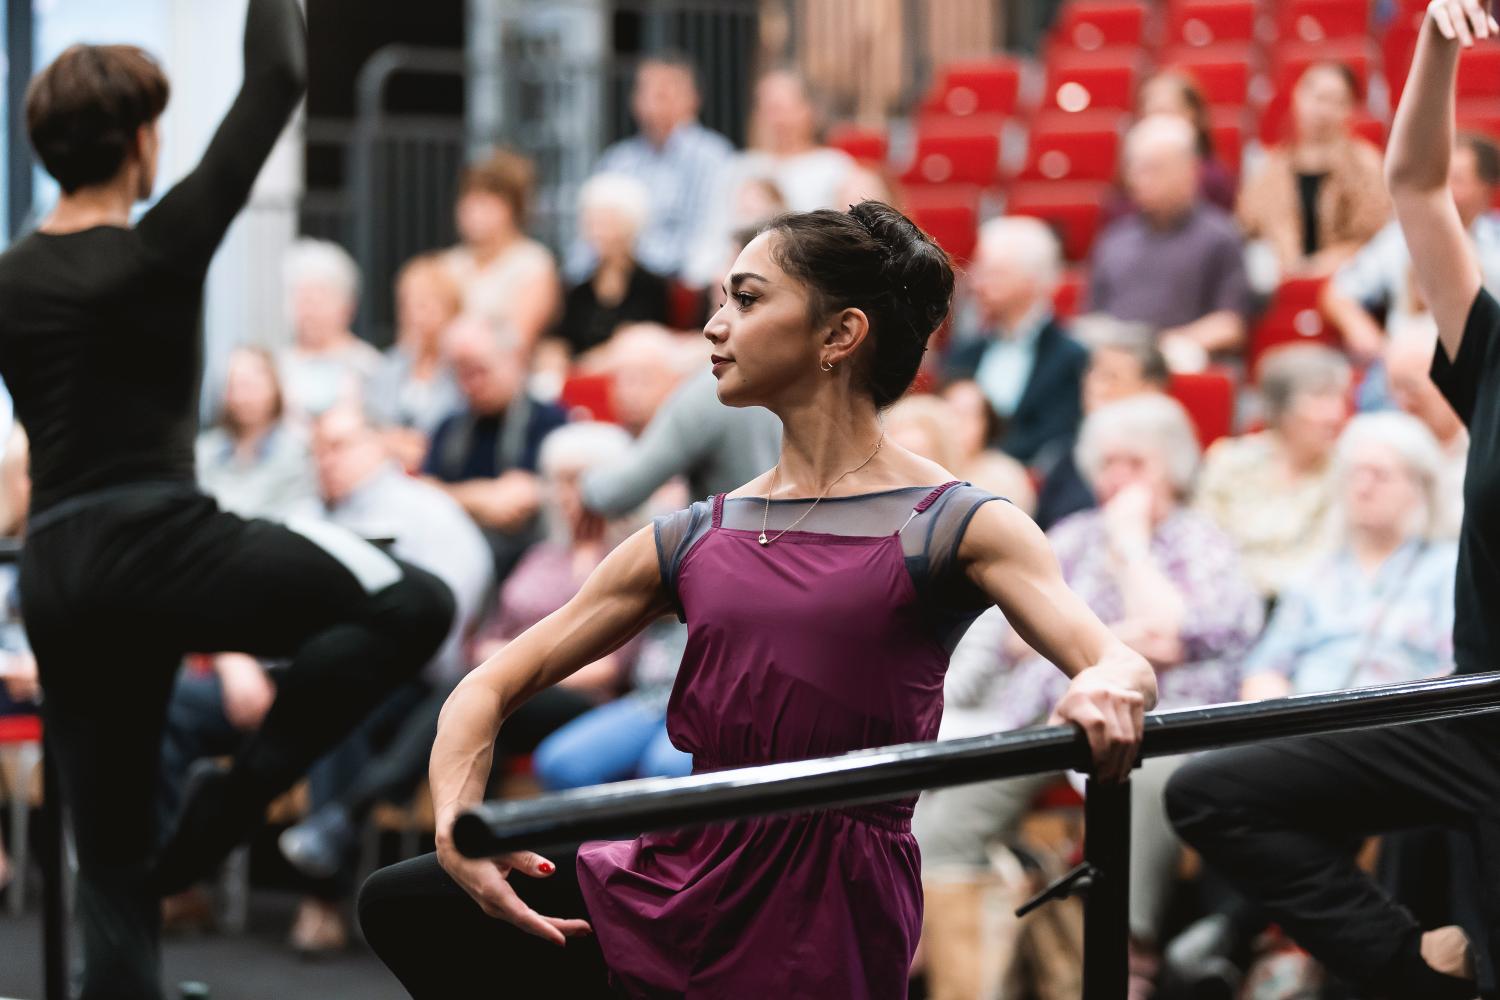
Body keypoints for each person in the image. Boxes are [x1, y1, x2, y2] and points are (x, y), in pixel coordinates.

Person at [357, 201, 1157, 999]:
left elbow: (1117, 662)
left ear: (839, 335)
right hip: (680, 866)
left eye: (745, 299)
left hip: (827, 900)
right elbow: (486, 687)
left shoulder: (960, 523)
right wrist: (457, 827)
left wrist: (1103, 689)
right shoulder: (695, 533)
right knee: (409, 905)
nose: (714, 326)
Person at [0, 6, 455, 998]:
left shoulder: (11, 278)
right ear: (140, 142)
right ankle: (232, 807)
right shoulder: (159, 247)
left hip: (61, 574)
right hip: (162, 541)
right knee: (414, 600)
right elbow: (278, 76)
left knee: (112, 866)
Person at [1168, 5, 1500, 996]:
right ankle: (1415, 972)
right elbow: (1416, 185)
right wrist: (1436, 40)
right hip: (1475, 716)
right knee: (1214, 790)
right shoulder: (1491, 354)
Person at [915, 395, 1263, 1000]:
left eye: (1135, 464)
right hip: (1042, 716)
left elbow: (1176, 632)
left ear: (1173, 468)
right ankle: (949, 975)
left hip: (1158, 722)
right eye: (1107, 464)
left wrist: (1129, 547)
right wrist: (1131, 633)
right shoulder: (1073, 535)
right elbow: (1014, 637)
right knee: (954, 812)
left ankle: (1126, 964)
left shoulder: (1201, 541)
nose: (1117, 479)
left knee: (1143, 779)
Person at [164, 403, 495, 954]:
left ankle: (322, 898)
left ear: (379, 447)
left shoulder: (429, 515)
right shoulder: (298, 516)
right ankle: (173, 874)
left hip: (388, 682)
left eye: (340, 446)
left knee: (337, 704)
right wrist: (235, 660)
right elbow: (232, 604)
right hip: (272, 676)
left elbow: (440, 637)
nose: (326, 460)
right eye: (317, 450)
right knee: (172, 702)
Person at [1239, 412, 1457, 702]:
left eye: (1380, 476)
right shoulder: (1316, 571)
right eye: (1355, 474)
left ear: (1419, 488)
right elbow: (1265, 669)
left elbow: (1458, 671)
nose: (1363, 488)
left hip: (1405, 717)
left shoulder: (1447, 569)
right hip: (1312, 717)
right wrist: (1280, 716)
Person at [1088, 115, 1253, 373]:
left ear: (1189, 171)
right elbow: (1093, 319)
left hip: (1182, 368)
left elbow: (1230, 326)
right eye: (1135, 169)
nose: (1139, 179)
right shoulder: (1114, 239)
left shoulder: (1220, 237)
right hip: (1116, 369)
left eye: (1153, 169)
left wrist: (1156, 350)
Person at [1322, 132, 1500, 364]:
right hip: (1407, 363)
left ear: (1485, 189)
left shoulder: (1495, 239)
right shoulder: (1400, 236)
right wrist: (1365, 334)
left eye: (1456, 179)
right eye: (1437, 177)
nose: (1442, 188)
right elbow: (1339, 293)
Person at [1194, 344, 1350, 597]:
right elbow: (1203, 542)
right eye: (1320, 398)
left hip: (1308, 604)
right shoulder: (1229, 462)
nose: (1336, 414)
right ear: (1282, 407)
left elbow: (1329, 560)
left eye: (1340, 398)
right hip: (1226, 596)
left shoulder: (1346, 470)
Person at [563, 53, 734, 282]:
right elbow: (586, 240)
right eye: (644, 91)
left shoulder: (713, 158)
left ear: (692, 99)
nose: (652, 102)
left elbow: (709, 239)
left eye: (663, 93)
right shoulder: (617, 160)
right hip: (615, 282)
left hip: (675, 287)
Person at [423, 316, 569, 580]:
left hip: (522, 561)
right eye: (462, 374)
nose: (472, 383)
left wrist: (451, 496)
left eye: (481, 370)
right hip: (452, 549)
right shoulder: (449, 426)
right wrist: (485, 498)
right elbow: (423, 495)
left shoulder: (547, 421)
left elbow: (516, 503)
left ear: (514, 359)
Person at [684, 69, 855, 288]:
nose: (774, 119)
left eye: (780, 108)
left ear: (808, 110)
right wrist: (712, 274)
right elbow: (713, 232)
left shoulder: (834, 166)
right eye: (765, 109)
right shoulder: (740, 166)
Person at [943, 216, 1088, 467]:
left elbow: (1055, 436)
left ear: (1031, 281)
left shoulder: (1070, 358)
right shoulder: (963, 353)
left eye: (994, 273)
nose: (977, 284)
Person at [1237, 62, 1390, 279]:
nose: (1323, 111)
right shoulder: (1273, 167)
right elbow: (1248, 224)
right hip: (1284, 280)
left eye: (1336, 101)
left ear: (1350, 109)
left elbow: (1377, 236)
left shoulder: (1366, 164)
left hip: (1349, 280)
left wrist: (1324, 263)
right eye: (1318, 98)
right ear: (1297, 97)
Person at [1035, 316, 1171, 530]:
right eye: (1092, 372)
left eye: (1111, 376)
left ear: (1150, 389)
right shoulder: (1064, 454)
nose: (1094, 386)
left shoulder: (1163, 464)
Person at [442, 148, 561, 355]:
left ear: (512, 209)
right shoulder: (449, 263)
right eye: (468, 202)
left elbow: (518, 339)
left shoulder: (533, 263)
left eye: (485, 204)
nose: (473, 213)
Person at [366, 254, 465, 472]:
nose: (415, 316)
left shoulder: (463, 370)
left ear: (450, 309)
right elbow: (372, 422)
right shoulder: (389, 365)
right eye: (407, 305)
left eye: (425, 306)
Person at [554, 174, 670, 359]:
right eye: (591, 224)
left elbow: (654, 344)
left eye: (606, 224)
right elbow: (562, 341)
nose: (597, 233)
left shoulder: (653, 288)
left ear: (629, 226)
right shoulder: (579, 291)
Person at [195, 345, 315, 519]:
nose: (243, 397)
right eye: (235, 386)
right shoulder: (205, 451)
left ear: (274, 387)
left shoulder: (298, 454)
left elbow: (297, 513)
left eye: (251, 386)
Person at [1105, 70, 1238, 222]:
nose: (1158, 124)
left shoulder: (1214, 179)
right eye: (1150, 114)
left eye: (1165, 112)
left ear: (1193, 115)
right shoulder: (1128, 180)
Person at [276, 238, 382, 418]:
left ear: (348, 306)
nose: (309, 312)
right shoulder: (277, 368)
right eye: (303, 301)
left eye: (318, 301)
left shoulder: (369, 366)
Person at [1385, 328, 1469, 535]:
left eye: (1411, 388)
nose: (1403, 401)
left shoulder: (1485, 441)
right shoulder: (1389, 446)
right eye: (1394, 389)